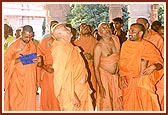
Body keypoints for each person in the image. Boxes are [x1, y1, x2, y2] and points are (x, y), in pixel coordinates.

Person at [119, 23, 164, 111]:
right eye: (129, 31)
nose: (130, 33)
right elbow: (122, 64)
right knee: (129, 107)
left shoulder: (148, 46)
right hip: (129, 83)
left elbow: (160, 64)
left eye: (133, 31)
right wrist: (122, 76)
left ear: (140, 33)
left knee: (147, 107)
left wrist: (153, 67)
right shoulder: (125, 45)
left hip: (144, 81)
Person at [50, 23, 94, 111]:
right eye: (65, 29)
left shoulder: (69, 47)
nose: (69, 29)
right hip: (72, 93)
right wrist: (72, 95)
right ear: (60, 35)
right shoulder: (60, 50)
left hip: (81, 89)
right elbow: (61, 76)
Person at [4, 25, 42, 111]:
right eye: (26, 37)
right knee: (15, 104)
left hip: (29, 80)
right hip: (16, 80)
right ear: (21, 34)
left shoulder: (34, 46)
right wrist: (18, 60)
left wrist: (39, 60)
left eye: (30, 37)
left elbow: (39, 64)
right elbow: (5, 62)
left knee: (29, 105)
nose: (28, 39)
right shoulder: (13, 46)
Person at [136, 18, 164, 110]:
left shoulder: (156, 38)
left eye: (141, 25)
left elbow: (161, 58)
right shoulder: (137, 38)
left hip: (156, 73)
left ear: (147, 25)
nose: (139, 27)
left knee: (158, 97)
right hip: (140, 74)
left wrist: (153, 67)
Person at [94, 22, 123, 111]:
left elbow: (119, 58)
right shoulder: (98, 47)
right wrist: (100, 86)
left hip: (116, 77)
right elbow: (95, 67)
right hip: (104, 78)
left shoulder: (116, 39)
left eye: (108, 27)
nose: (107, 30)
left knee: (118, 102)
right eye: (103, 28)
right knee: (106, 103)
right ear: (99, 33)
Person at [36, 22, 60, 111]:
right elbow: (38, 58)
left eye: (56, 26)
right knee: (47, 98)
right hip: (47, 74)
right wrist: (45, 67)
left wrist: (57, 67)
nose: (54, 28)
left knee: (59, 99)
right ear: (50, 29)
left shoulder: (64, 42)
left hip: (61, 74)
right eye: (52, 26)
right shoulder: (44, 42)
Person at [74, 23, 98, 109]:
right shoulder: (75, 43)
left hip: (92, 71)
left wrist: (92, 57)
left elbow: (101, 57)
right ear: (79, 31)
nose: (85, 28)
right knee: (81, 94)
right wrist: (82, 56)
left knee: (93, 92)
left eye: (87, 26)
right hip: (79, 72)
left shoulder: (96, 42)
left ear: (90, 29)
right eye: (82, 27)